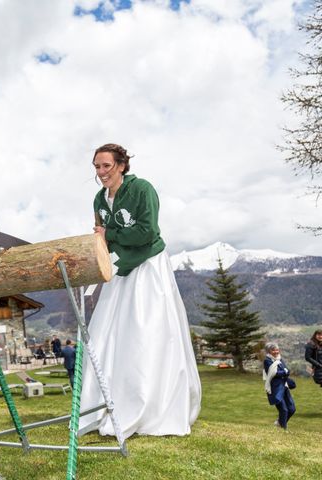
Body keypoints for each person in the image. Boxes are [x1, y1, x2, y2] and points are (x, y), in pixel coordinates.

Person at [79, 143, 201, 439]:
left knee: (147, 331)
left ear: (121, 165)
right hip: (119, 269)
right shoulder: (98, 198)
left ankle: (151, 405)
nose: (101, 172)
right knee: (109, 333)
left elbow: (147, 231)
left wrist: (111, 234)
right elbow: (100, 236)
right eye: (97, 166)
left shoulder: (142, 189)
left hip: (148, 266)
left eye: (106, 165)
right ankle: (107, 403)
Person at [263, 343, 296, 429]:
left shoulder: (279, 359)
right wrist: (284, 372)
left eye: (277, 349)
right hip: (275, 388)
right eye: (273, 350)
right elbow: (273, 373)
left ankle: (279, 422)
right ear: (268, 351)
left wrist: (284, 372)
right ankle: (283, 429)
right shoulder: (267, 360)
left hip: (284, 386)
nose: (276, 351)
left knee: (292, 409)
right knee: (284, 410)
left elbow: (286, 370)